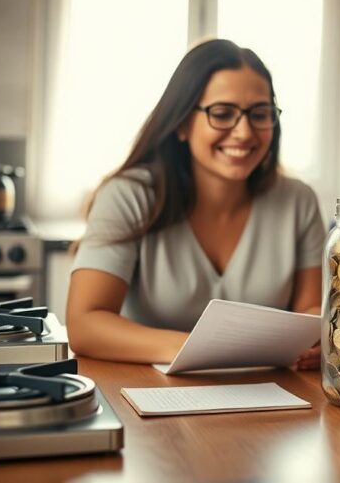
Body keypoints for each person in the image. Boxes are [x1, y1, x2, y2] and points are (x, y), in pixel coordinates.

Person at [67, 39, 325, 369]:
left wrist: (315, 341)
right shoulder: (127, 195)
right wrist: (206, 350)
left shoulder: (298, 201)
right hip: (149, 398)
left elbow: (310, 311)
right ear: (182, 123)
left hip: (269, 399)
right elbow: (86, 325)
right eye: (222, 114)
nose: (244, 132)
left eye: (260, 114)